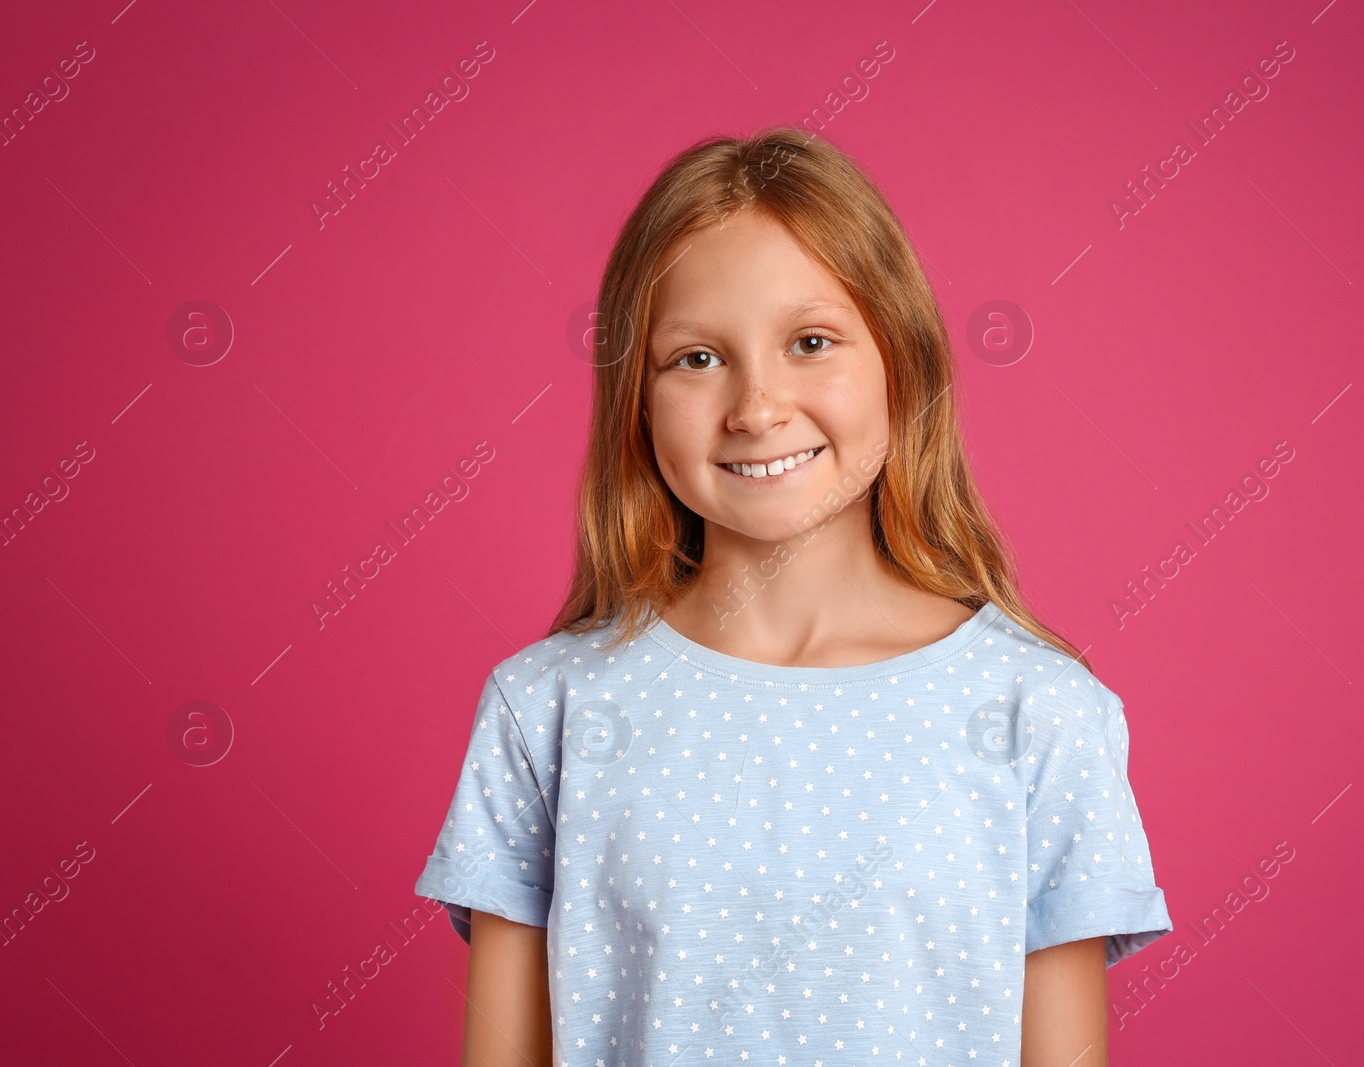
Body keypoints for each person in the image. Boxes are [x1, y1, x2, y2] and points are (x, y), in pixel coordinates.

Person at [413, 126, 1173, 1067]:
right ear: (635, 398)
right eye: (696, 358)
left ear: (903, 360)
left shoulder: (1041, 713)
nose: (757, 407)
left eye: (811, 342)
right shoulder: (546, 711)